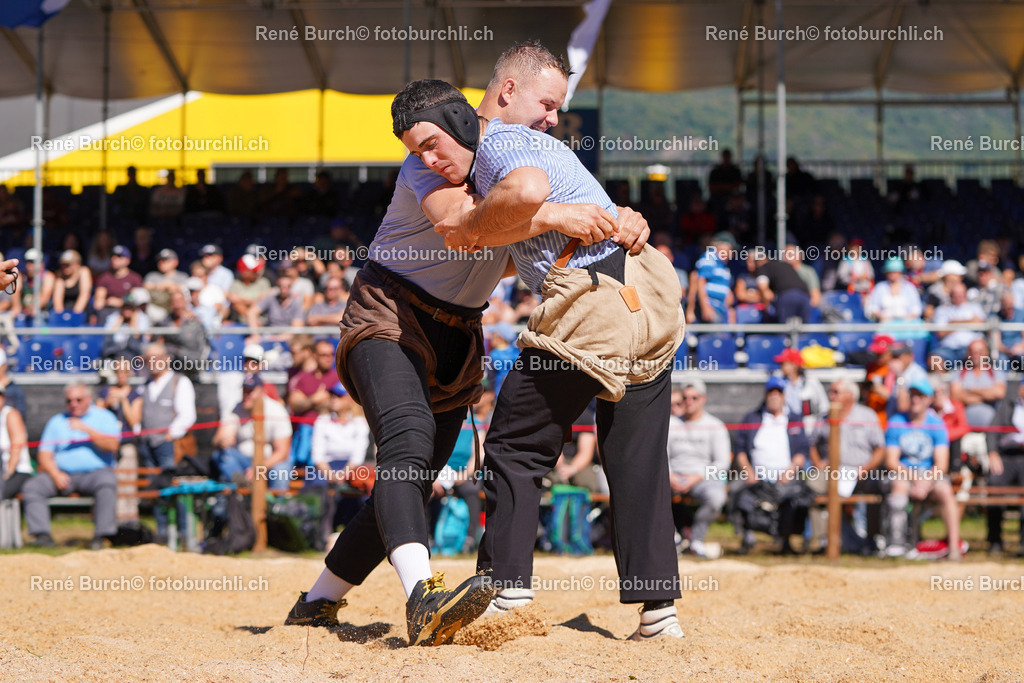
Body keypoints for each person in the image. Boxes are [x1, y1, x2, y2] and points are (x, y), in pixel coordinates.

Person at [285, 42, 652, 647]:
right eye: (415, 148)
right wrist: (556, 214)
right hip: (387, 315)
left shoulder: (512, 164)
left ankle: (318, 601)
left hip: (459, 332)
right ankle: (422, 596)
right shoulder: (422, 174)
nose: (426, 157)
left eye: (431, 142)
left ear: (460, 124)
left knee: (417, 473)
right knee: (404, 446)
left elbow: (508, 247)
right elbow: (463, 230)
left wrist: (619, 217)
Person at [397, 78, 684, 639]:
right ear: (509, 89)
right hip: (648, 291)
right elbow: (519, 225)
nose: (552, 118)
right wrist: (547, 219)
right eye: (548, 105)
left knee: (515, 445)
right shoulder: (519, 147)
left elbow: (524, 190)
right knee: (636, 455)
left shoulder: (502, 145)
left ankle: (507, 588)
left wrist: (493, 225)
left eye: (433, 145)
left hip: (591, 301)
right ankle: (659, 613)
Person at [21, 383, 121, 549]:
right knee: (33, 486)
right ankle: (42, 535)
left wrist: (86, 430)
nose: (73, 404)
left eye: (78, 399)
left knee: (107, 482)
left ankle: (101, 536)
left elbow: (113, 445)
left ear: (89, 399)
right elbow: (44, 454)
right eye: (69, 400)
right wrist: (55, 474)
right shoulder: (56, 421)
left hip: (95, 474)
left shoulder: (104, 417)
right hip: (62, 475)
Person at [883, 378, 961, 560]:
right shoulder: (896, 421)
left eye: (920, 396)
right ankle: (897, 545)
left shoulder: (936, 424)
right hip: (904, 474)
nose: (915, 399)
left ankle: (954, 547)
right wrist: (916, 479)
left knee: (945, 490)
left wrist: (926, 480)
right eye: (913, 395)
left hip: (929, 476)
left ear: (929, 400)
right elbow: (891, 462)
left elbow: (942, 464)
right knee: (899, 486)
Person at [733, 377, 811, 555]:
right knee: (737, 491)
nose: (774, 396)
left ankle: (786, 540)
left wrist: (789, 472)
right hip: (755, 475)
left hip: (786, 476)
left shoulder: (794, 419)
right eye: (771, 392)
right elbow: (740, 451)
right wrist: (749, 473)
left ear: (784, 396)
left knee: (796, 496)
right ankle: (747, 538)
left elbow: (802, 451)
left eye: (778, 392)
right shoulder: (752, 417)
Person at [807, 379, 886, 554]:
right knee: (812, 486)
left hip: (861, 472)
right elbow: (812, 444)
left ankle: (873, 540)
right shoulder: (824, 417)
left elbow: (880, 448)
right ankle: (824, 540)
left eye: (836, 391)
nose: (831, 395)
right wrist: (818, 463)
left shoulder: (867, 416)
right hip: (831, 471)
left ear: (850, 395)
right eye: (831, 391)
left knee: (879, 486)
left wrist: (866, 469)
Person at [138, 343, 197, 538]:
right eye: (148, 359)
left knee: (175, 490)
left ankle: (183, 533)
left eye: (156, 357)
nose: (152, 362)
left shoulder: (179, 382)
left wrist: (170, 435)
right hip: (148, 445)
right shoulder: (145, 385)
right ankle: (162, 533)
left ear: (166, 358)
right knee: (156, 490)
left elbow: (187, 415)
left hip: (169, 445)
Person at [666, 379, 729, 559]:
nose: (689, 401)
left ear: (703, 399)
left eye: (694, 397)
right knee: (650, 492)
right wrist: (669, 476)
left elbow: (722, 463)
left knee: (716, 498)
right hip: (672, 477)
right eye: (685, 398)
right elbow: (661, 455)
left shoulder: (715, 426)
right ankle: (673, 538)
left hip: (703, 479)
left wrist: (697, 477)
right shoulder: (670, 424)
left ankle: (696, 540)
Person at [213, 374, 292, 490]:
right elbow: (218, 439)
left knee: (281, 470)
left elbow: (282, 452)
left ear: (262, 391)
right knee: (222, 456)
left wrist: (259, 468)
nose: (246, 395)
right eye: (244, 391)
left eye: (250, 391)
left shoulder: (277, 411)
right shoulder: (235, 410)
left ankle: (277, 505)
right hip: (243, 463)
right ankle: (244, 489)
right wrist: (222, 441)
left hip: (269, 463)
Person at [985, 380, 1024, 557]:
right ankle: (995, 540)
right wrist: (992, 453)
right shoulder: (1007, 405)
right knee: (994, 483)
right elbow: (992, 430)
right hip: (1006, 455)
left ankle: (1023, 543)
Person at [287, 339, 336, 470]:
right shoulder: (304, 378)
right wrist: (315, 399)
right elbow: (294, 403)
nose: (328, 358)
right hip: (304, 432)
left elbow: (345, 404)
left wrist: (327, 403)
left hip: (330, 434)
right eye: (323, 355)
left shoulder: (339, 378)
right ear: (315, 355)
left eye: (331, 355)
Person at [773, 348, 828, 436]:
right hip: (786, 428)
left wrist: (818, 427)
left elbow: (824, 406)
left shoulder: (811, 382)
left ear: (794, 365)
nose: (781, 366)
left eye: (784, 363)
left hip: (810, 429)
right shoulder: (780, 383)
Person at [687, 231, 734, 325]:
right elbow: (700, 283)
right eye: (730, 249)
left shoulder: (723, 265)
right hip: (711, 309)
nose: (732, 253)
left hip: (721, 310)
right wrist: (706, 307)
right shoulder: (709, 258)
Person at [93, 245, 142, 324]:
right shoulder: (105, 277)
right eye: (112, 256)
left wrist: (120, 302)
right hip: (109, 312)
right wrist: (108, 302)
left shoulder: (135, 278)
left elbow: (137, 301)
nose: (114, 259)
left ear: (127, 260)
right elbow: (98, 303)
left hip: (129, 314)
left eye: (119, 256)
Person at [865, 258, 922, 323]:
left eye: (895, 272)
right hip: (885, 325)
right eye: (890, 272)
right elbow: (873, 308)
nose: (893, 274)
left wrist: (905, 320)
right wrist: (883, 317)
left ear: (901, 272)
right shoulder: (880, 287)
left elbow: (916, 309)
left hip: (908, 326)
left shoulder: (909, 288)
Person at [0, 384, 32, 500]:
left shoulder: (11, 415)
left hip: (17, 473)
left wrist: (7, 474)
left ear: (4, 397)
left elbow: (16, 448)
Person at [143, 249, 189, 321]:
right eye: (160, 260)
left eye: (166, 260)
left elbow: (186, 291)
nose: (162, 263)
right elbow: (144, 287)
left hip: (174, 310)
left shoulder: (182, 276)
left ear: (175, 262)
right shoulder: (152, 276)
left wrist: (173, 286)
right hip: (156, 309)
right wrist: (160, 286)